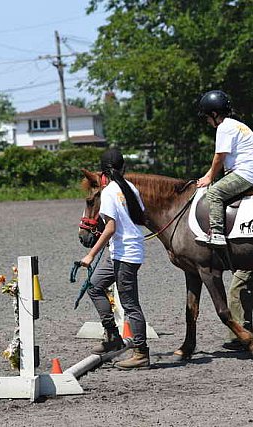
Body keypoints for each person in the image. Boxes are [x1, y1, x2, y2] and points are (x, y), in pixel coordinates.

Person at [80, 148, 150, 370]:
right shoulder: (131, 188)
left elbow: (110, 227)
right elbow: (140, 217)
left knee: (130, 305)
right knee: (94, 286)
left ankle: (141, 353)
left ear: (103, 173)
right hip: (122, 252)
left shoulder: (110, 191)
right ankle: (112, 336)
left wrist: (91, 254)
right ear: (123, 168)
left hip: (125, 255)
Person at [196, 90, 253, 247]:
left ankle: (217, 234)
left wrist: (209, 178)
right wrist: (209, 174)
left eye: (207, 117)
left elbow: (219, 157)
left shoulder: (224, 127)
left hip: (246, 172)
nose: (207, 121)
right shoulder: (237, 125)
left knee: (214, 193)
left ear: (215, 114)